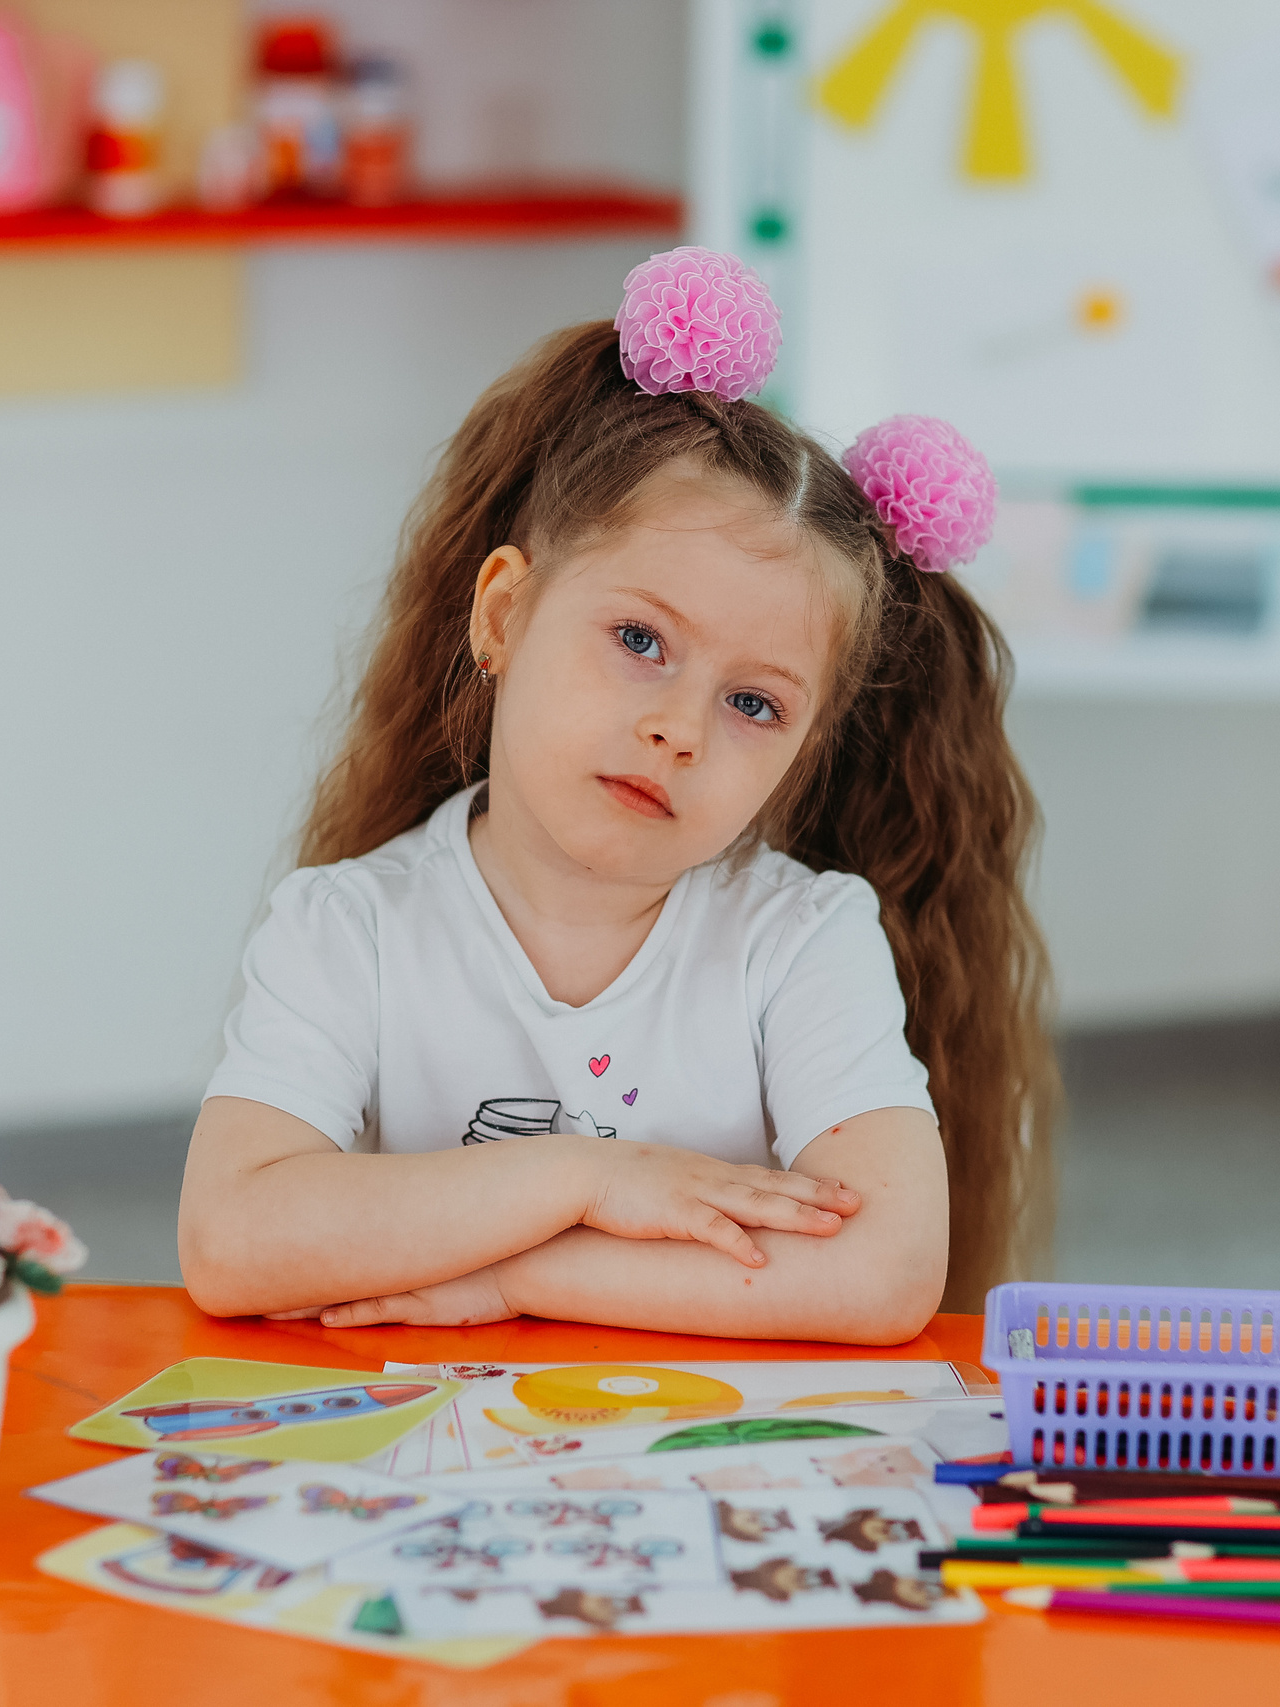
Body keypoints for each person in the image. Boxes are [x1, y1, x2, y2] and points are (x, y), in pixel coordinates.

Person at [178, 247, 1052, 1343]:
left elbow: (886, 1270)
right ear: (503, 613)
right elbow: (230, 1239)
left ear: (806, 751)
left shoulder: (804, 939)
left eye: (754, 706)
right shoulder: (346, 927)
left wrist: (521, 1279)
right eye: (640, 640)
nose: (678, 730)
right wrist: (589, 1180)